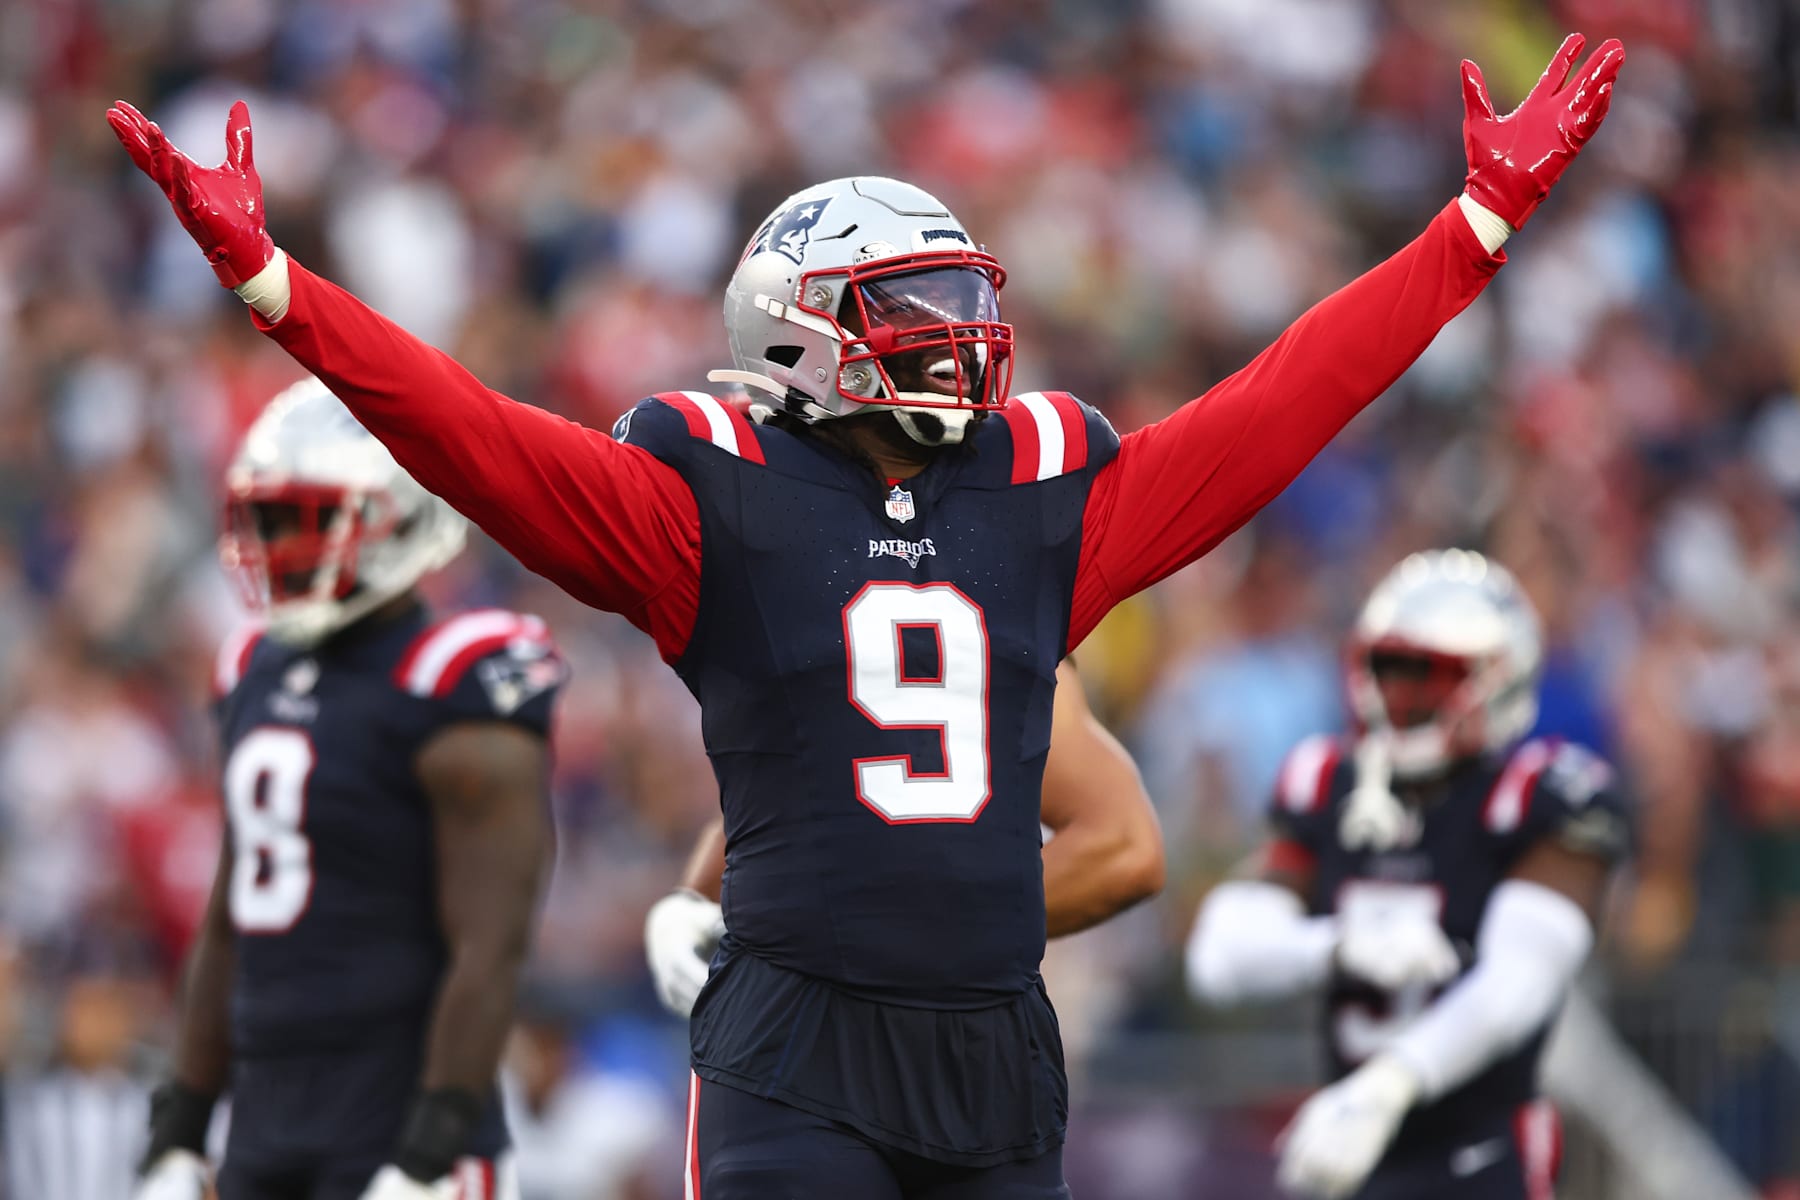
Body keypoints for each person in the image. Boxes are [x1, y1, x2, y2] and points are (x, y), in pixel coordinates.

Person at [109, 34, 1623, 1198]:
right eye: (917, 309)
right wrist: (275, 282)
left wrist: (1477, 224)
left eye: (963, 303)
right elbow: (473, 435)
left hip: (994, 1041)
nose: (962, 340)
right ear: (802, 331)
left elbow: (1283, 402)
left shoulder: (1043, 490)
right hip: (799, 1043)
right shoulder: (709, 496)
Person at [133, 380, 566, 1200]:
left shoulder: (456, 681)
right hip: (267, 1122)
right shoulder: (250, 669)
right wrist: (178, 1131)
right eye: (269, 520)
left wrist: (427, 1153)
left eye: (307, 520)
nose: (279, 545)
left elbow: (491, 948)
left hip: (397, 1116)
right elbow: (227, 924)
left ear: (395, 516)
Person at [1185, 550, 1631, 1200]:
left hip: (1482, 1153)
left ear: (1498, 676)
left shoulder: (1544, 794)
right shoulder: (1327, 783)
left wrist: (1388, 1084)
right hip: (1351, 1149)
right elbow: (1218, 957)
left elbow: (1517, 985)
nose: (1401, 695)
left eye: (1428, 675)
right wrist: (1338, 946)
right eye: (1386, 669)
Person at [645, 660, 1165, 1017]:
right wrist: (687, 905)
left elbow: (1123, 847)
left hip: (958, 1019)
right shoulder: (794, 550)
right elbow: (777, 799)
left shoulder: (998, 567)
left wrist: (914, 936)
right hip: (808, 1029)